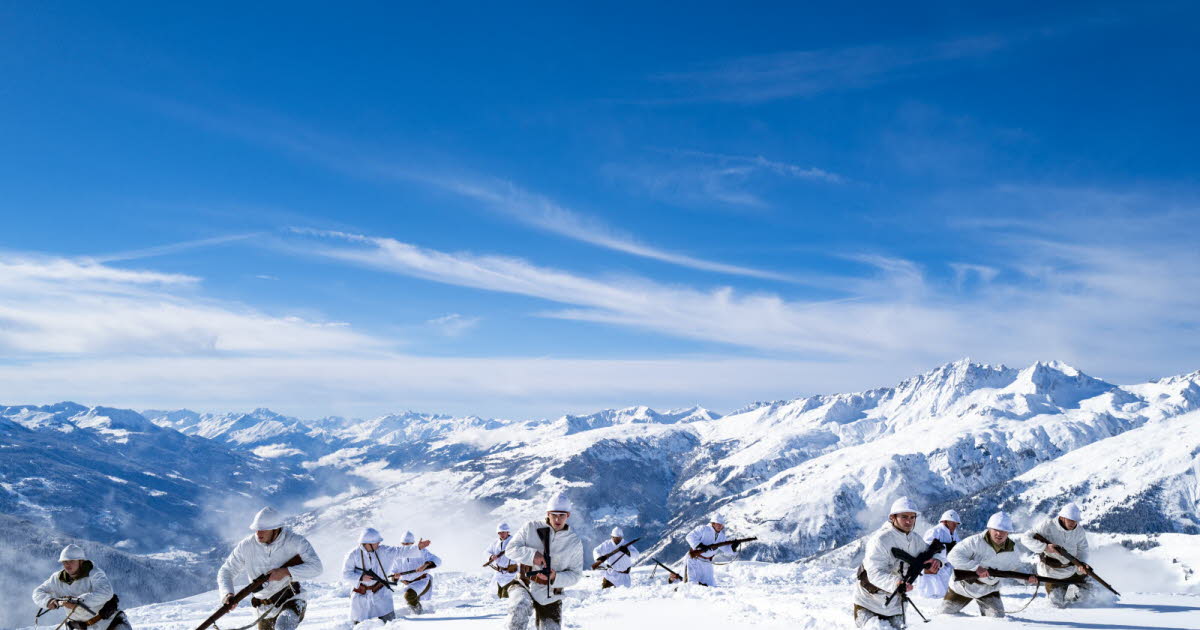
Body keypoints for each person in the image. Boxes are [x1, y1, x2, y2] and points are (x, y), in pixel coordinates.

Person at [217, 507, 323, 630]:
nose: (258, 533)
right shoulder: (246, 546)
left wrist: (286, 572)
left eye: (263, 530)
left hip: (291, 599)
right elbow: (226, 571)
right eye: (257, 529)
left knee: (283, 626)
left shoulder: (296, 541)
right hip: (263, 609)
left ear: (276, 529)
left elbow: (317, 567)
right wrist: (227, 594)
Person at [852, 497, 945, 629]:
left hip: (895, 606)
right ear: (892, 517)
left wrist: (937, 561)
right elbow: (874, 572)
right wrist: (895, 583)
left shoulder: (916, 540)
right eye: (904, 517)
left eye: (912, 517)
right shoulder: (880, 540)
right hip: (868, 604)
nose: (909, 521)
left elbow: (933, 553)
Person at [503, 492, 584, 630]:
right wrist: (532, 555)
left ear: (568, 515)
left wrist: (554, 577)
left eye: (562, 515)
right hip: (524, 584)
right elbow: (510, 549)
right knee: (519, 606)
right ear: (548, 513)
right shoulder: (530, 527)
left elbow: (575, 575)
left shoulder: (574, 542)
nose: (557, 519)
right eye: (554, 515)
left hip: (552, 594)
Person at [942, 511, 1036, 618]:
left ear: (1008, 532)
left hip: (989, 589)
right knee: (944, 616)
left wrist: (1026, 578)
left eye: (1003, 531)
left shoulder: (1013, 550)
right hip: (964, 586)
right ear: (989, 529)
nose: (999, 534)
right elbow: (953, 556)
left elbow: (1016, 568)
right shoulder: (974, 541)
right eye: (996, 530)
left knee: (997, 619)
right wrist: (976, 568)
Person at [1023, 502, 1110, 607]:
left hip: (1073, 569)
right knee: (1056, 605)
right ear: (1062, 517)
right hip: (1051, 573)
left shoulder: (1079, 530)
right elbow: (1025, 538)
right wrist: (1045, 547)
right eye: (1070, 519)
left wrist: (1082, 564)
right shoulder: (1047, 525)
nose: (1073, 523)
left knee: (1090, 598)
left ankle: (1075, 595)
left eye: (1075, 521)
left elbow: (1083, 549)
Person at [33, 544, 131, 630]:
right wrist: (48, 601)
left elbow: (106, 592)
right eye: (65, 562)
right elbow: (38, 592)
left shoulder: (95, 573)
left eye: (71, 561)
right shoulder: (57, 578)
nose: (67, 565)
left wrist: (78, 601)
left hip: (111, 624)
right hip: (81, 627)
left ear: (81, 561)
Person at [340, 527, 401, 624]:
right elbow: (346, 574)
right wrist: (360, 577)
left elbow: (400, 551)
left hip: (380, 592)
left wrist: (418, 548)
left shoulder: (382, 551)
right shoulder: (353, 554)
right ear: (368, 543)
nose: (379, 544)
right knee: (359, 624)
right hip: (361, 595)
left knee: (389, 622)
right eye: (376, 542)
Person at [388, 531, 440, 615]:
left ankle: (419, 615)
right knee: (412, 598)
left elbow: (437, 560)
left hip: (422, 581)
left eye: (408, 544)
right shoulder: (397, 556)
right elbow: (393, 572)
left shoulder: (422, 552)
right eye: (404, 544)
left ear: (412, 543)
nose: (406, 546)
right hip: (408, 584)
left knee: (409, 596)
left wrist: (425, 565)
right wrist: (396, 577)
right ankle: (420, 612)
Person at [913, 509, 962, 599]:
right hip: (933, 565)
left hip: (947, 566)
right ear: (945, 521)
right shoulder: (935, 531)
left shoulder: (954, 534)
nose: (955, 526)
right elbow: (926, 549)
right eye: (953, 523)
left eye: (956, 524)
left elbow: (959, 548)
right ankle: (927, 599)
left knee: (944, 590)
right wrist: (945, 550)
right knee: (930, 589)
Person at [685, 514, 739, 586]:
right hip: (695, 560)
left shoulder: (721, 536)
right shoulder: (703, 529)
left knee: (709, 585)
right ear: (713, 523)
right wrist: (699, 545)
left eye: (721, 524)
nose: (720, 526)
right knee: (693, 584)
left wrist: (733, 547)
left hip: (707, 561)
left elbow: (726, 548)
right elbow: (689, 536)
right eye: (718, 524)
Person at [485, 522, 520, 598]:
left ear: (508, 532)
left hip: (512, 575)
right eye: (499, 533)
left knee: (507, 598)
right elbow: (486, 552)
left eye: (503, 532)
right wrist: (491, 556)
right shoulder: (495, 543)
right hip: (498, 575)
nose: (501, 534)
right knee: (496, 597)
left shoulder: (514, 541)